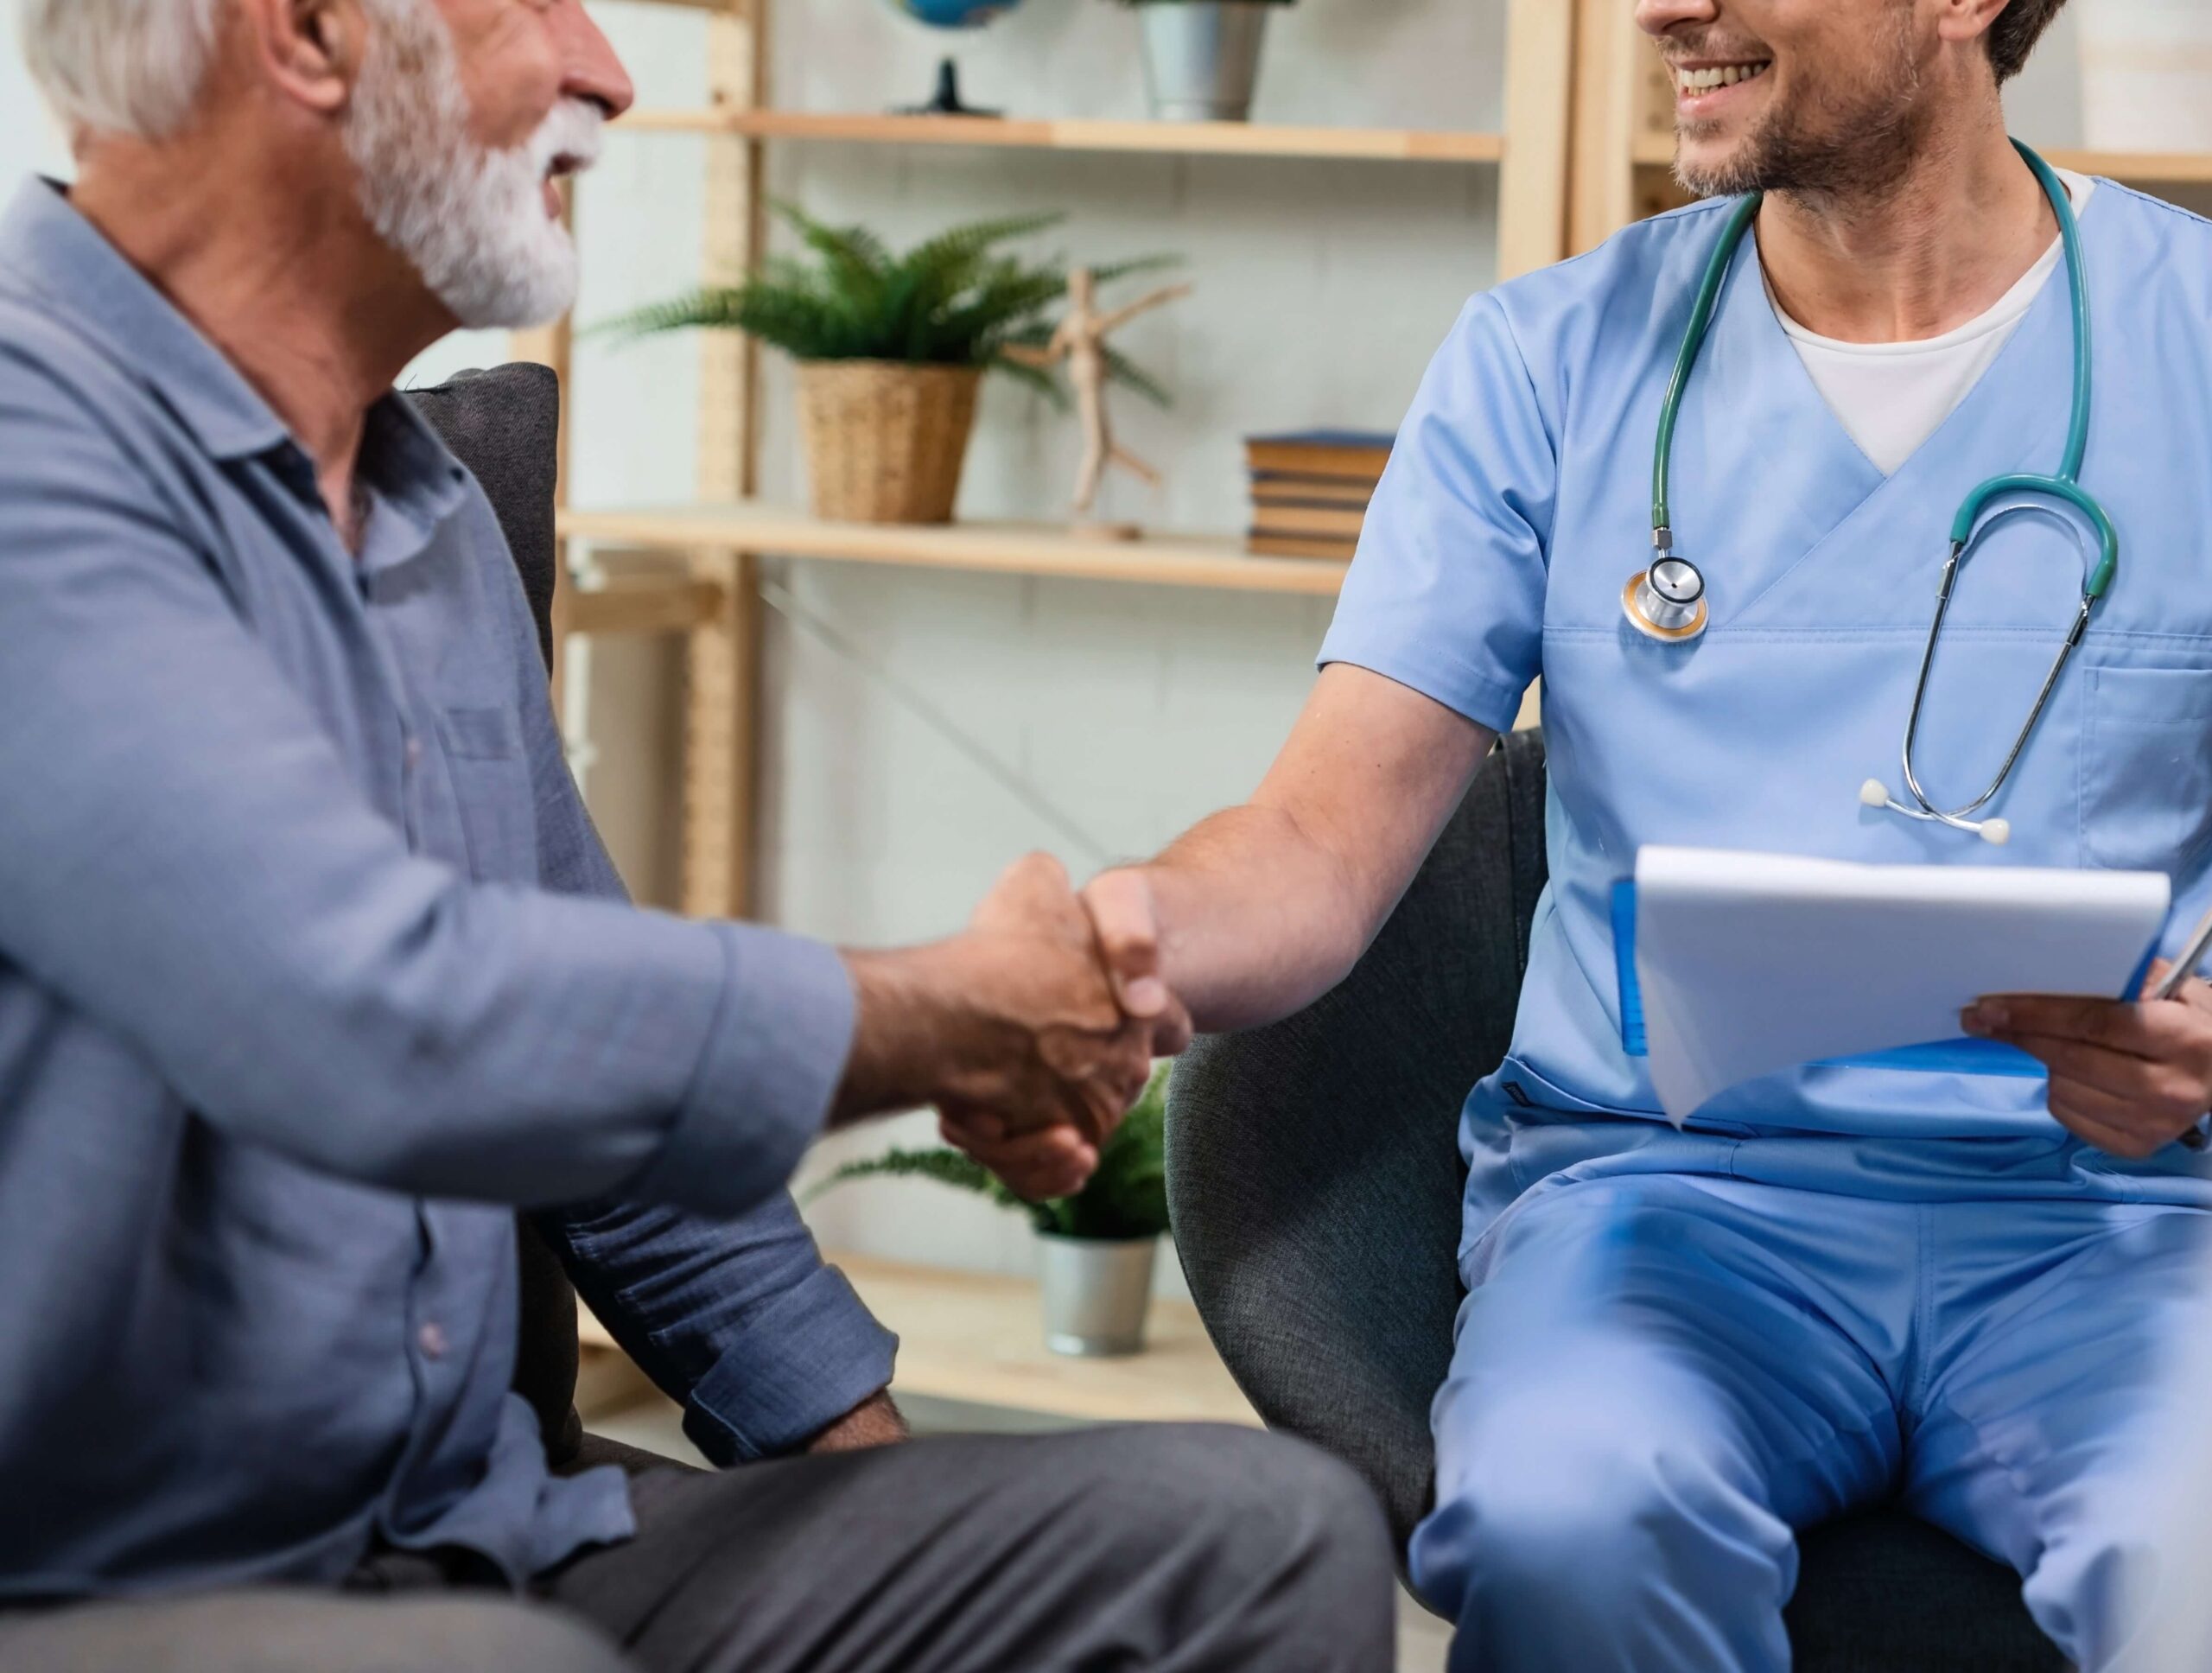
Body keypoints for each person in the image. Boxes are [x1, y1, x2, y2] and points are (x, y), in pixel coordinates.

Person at [0, 2, 1396, 1669]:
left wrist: (881, 1506)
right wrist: (951, 1012)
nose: (608, 70)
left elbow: (603, 1073)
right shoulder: (37, 460)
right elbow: (392, 1014)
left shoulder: (423, 513)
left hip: (486, 1537)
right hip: (106, 1582)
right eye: (533, 6)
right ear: (306, 32)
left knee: (1247, 1544)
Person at [963, 0, 2212, 1666]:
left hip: (2120, 1217)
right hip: (1668, 1202)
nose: (1660, 7)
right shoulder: (1547, 358)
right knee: (1572, 1527)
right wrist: (1127, 936)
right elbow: (1315, 846)